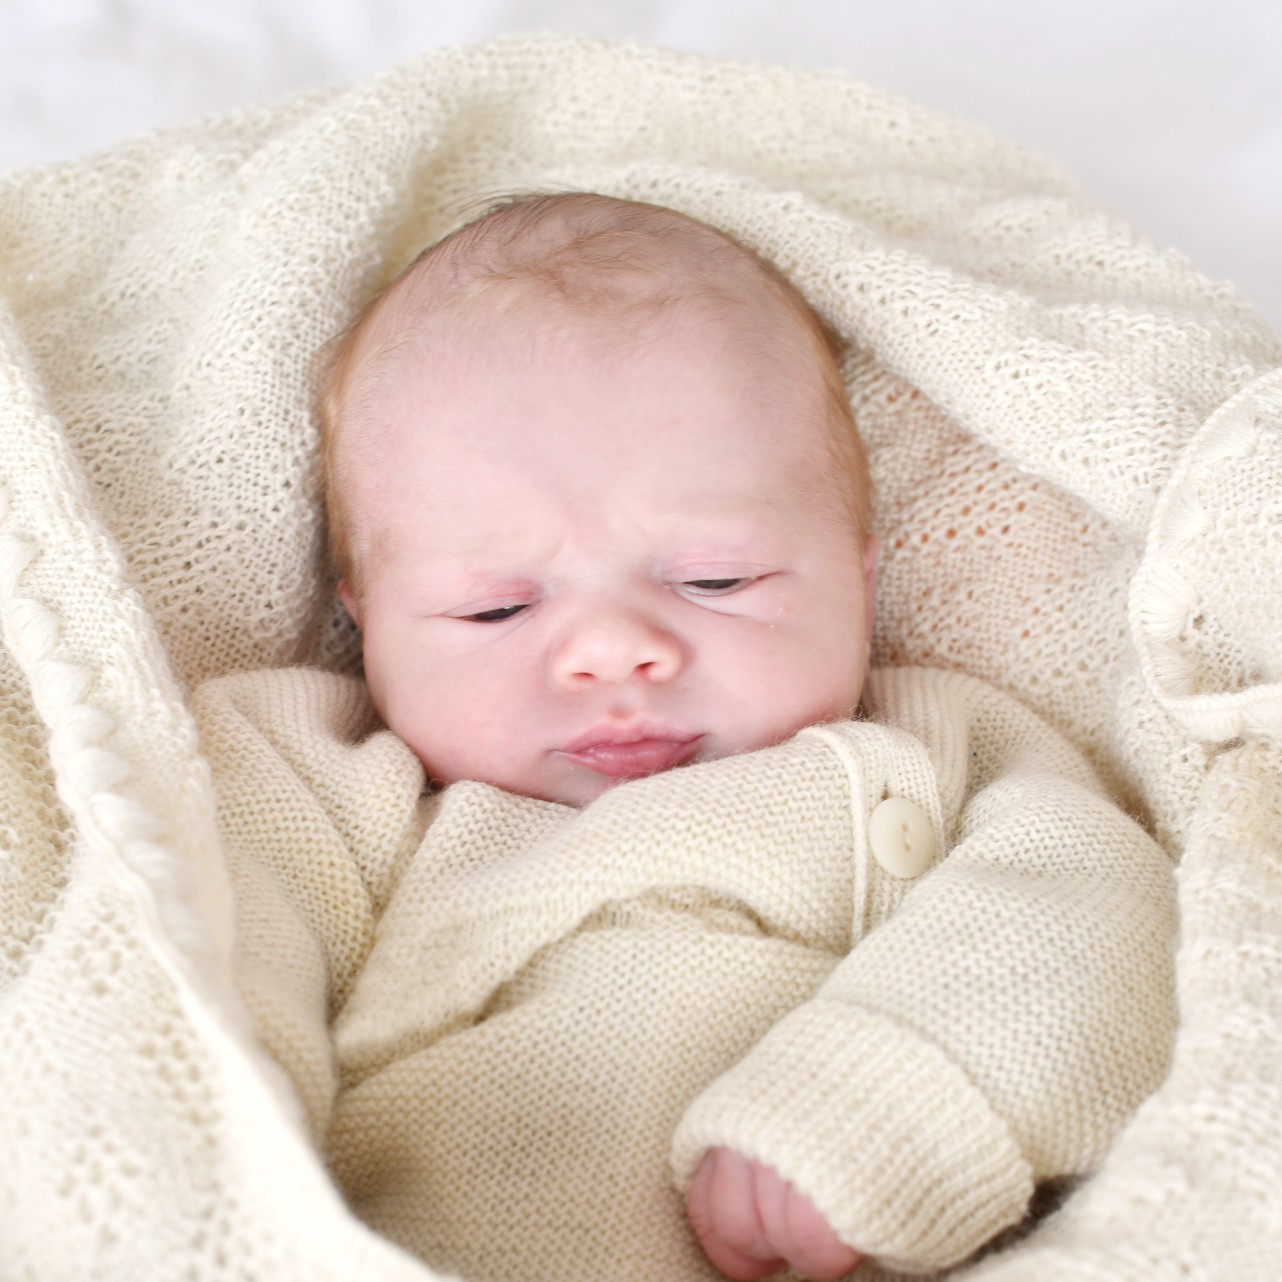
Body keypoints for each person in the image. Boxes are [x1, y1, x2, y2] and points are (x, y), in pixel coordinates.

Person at [194, 192, 1177, 1281]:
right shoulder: (323, 781)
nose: (614, 652)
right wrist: (222, 1182)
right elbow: (202, 972)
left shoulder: (946, 748)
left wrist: (880, 1116)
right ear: (366, 624)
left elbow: (1094, 926)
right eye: (495, 608)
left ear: (858, 580)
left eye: (716, 580)